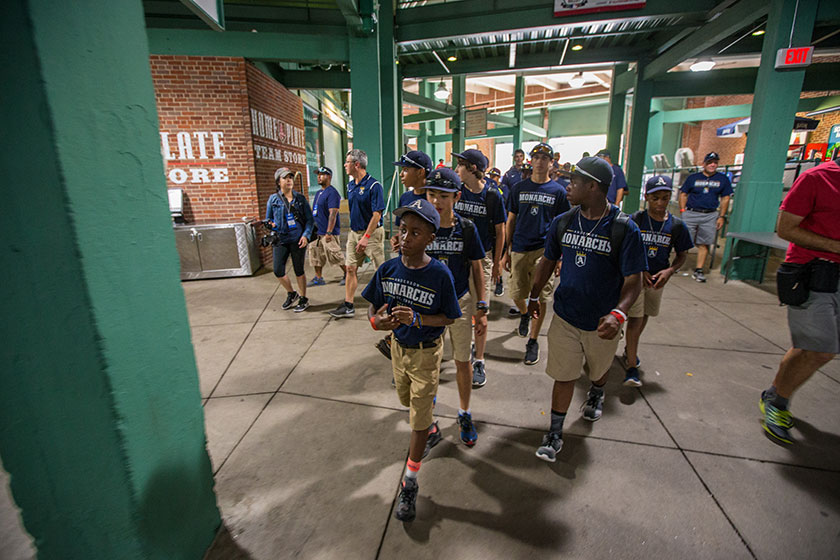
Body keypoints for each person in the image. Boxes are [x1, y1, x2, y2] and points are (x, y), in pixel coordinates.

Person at [528, 156, 647, 462]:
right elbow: (548, 262)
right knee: (564, 376)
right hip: (566, 315)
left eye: (574, 182)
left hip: (602, 321)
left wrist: (619, 312)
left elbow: (634, 280)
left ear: (593, 187)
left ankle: (597, 389)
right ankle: (554, 433)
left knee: (598, 370)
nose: (568, 186)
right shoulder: (563, 222)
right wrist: (533, 296)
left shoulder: (624, 229)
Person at [362, 198, 461, 522]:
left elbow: (448, 317)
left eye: (415, 232)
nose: (406, 238)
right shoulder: (388, 269)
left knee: (416, 418)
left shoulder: (439, 274)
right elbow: (372, 306)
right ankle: (430, 426)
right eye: (403, 230)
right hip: (398, 351)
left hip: (426, 354)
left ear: (431, 237)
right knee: (407, 402)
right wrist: (378, 322)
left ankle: (411, 481)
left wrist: (418, 319)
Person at [760, 156, 840, 444]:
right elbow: (786, 228)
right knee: (819, 349)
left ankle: (774, 391)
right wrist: (835, 247)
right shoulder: (817, 178)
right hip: (813, 273)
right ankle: (776, 402)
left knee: (817, 347)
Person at [425, 167, 488, 446]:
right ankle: (427, 416)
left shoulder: (467, 229)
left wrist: (481, 304)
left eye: (443, 196)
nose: (436, 201)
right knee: (429, 362)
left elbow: (476, 267)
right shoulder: (422, 226)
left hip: (460, 302)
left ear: (457, 197)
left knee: (462, 361)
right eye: (431, 194)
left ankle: (464, 412)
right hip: (428, 304)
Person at [503, 143, 570, 366]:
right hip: (520, 247)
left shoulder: (558, 192)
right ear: (531, 161)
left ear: (552, 163)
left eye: (545, 157)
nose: (540, 161)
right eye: (537, 157)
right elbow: (510, 220)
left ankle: (532, 340)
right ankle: (524, 313)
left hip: (546, 250)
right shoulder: (519, 188)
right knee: (516, 292)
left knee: (540, 296)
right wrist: (506, 251)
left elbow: (562, 227)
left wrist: (559, 257)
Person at [622, 176, 693, 386]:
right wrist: (639, 268)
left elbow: (682, 255)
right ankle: (631, 366)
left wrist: (669, 271)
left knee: (643, 317)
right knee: (634, 320)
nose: (660, 203)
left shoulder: (676, 226)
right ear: (646, 198)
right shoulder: (636, 220)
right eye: (655, 198)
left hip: (657, 281)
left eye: (665, 198)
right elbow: (625, 248)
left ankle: (629, 349)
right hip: (636, 278)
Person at [453, 149, 506, 387]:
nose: (457, 170)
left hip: (482, 259)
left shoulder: (492, 195)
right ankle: (463, 353)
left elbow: (500, 230)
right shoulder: (457, 192)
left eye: (460, 165)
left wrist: (497, 262)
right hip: (456, 256)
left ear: (473, 168)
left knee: (481, 315)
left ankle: (480, 361)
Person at [376, 150, 433, 360]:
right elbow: (403, 226)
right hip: (407, 260)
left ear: (420, 172)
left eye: (406, 169)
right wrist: (397, 239)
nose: (401, 174)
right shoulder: (406, 197)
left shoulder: (433, 196)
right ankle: (399, 346)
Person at [330, 149, 386, 318]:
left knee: (380, 271)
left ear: (356, 164)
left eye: (347, 162)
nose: (345, 165)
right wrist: (356, 236)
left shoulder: (374, 186)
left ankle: (384, 304)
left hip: (372, 235)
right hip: (354, 234)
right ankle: (348, 305)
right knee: (350, 269)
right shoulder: (350, 185)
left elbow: (377, 214)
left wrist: (366, 237)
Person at [266, 167, 315, 312]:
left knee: (299, 270)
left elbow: (310, 220)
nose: (289, 180)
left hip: (298, 239)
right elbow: (268, 219)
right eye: (285, 178)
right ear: (278, 181)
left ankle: (303, 298)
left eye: (290, 177)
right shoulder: (273, 199)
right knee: (278, 270)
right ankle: (291, 293)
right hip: (280, 239)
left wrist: (306, 235)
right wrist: (271, 225)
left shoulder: (300, 199)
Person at [678, 152, 733, 283]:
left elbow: (725, 198)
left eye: (715, 162)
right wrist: (682, 210)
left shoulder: (722, 179)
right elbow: (683, 193)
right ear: (704, 164)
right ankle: (677, 265)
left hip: (710, 214)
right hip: (691, 213)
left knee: (704, 243)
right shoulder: (693, 178)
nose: (712, 165)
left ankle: (699, 270)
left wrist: (721, 216)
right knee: (684, 241)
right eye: (710, 162)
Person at [308, 166, 347, 286]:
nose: (319, 177)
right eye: (318, 174)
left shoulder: (332, 193)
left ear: (329, 177)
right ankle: (318, 278)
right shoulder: (319, 192)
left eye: (322, 174)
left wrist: (329, 231)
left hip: (328, 232)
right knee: (315, 255)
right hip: (317, 232)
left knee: (336, 255)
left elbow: (333, 213)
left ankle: (348, 274)